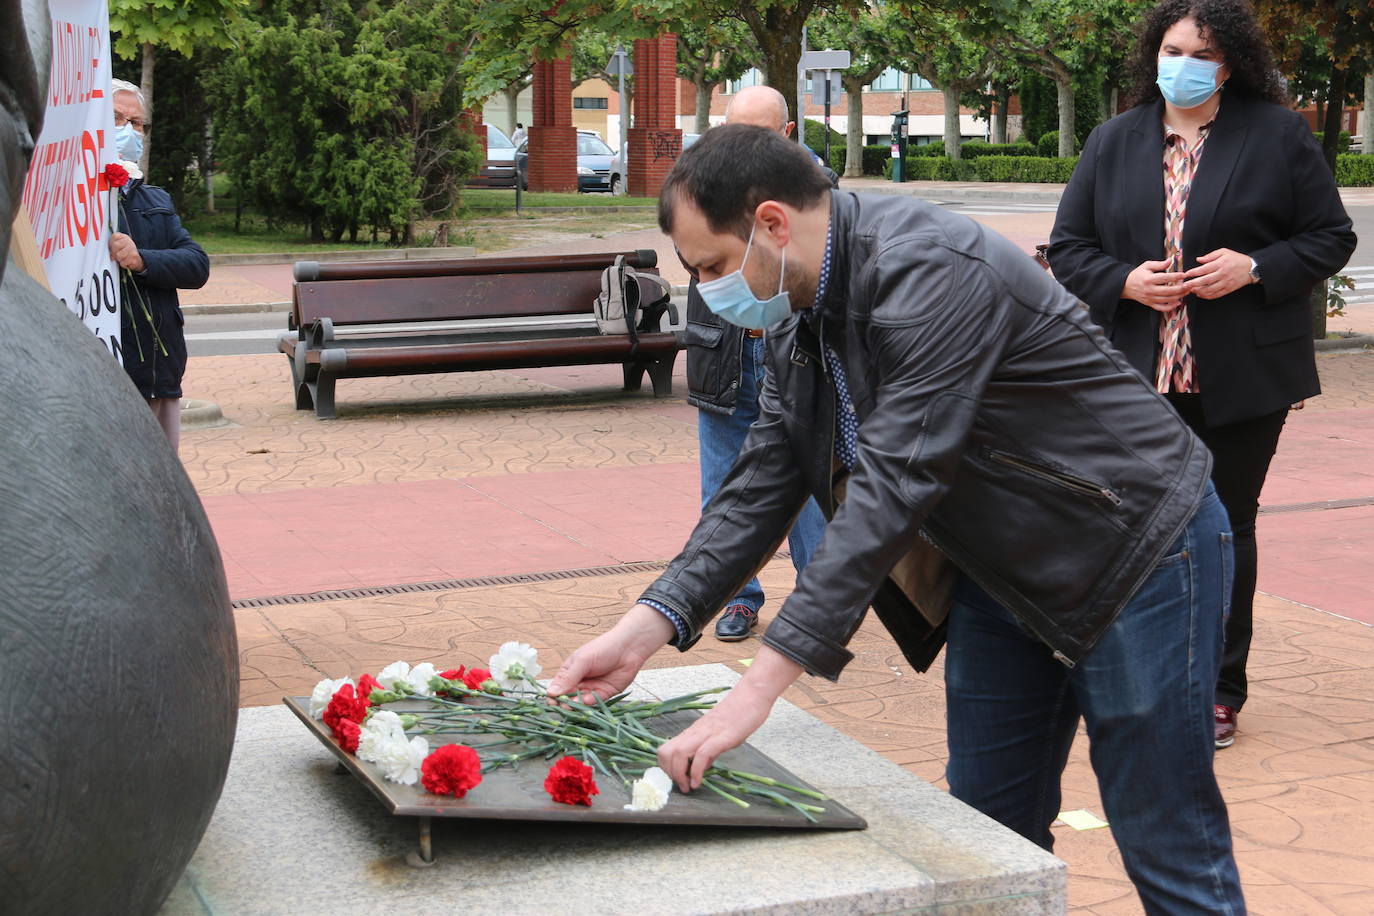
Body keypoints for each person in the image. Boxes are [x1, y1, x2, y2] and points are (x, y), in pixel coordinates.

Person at [548, 125, 1246, 913]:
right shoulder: (798, 311)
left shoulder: (928, 269)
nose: (707, 291)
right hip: (1002, 573)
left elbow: (893, 484)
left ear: (772, 223)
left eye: (711, 265)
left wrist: (759, 688)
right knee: (986, 832)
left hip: (1136, 552)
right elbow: (758, 485)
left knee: (1164, 835)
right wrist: (645, 627)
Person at [1047, 0, 1357, 749]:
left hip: (1244, 375)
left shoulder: (1278, 134)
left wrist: (1256, 267)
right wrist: (1125, 282)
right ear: (1153, 53)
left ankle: (1219, 688)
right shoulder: (1115, 139)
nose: (1181, 64)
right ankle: (1133, 674)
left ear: (1230, 66)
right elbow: (1069, 247)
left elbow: (1330, 237)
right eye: (1172, 49)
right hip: (1134, 375)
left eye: (1201, 54)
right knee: (1130, 527)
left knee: (1225, 528)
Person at [686, 84, 831, 641]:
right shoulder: (698, 182)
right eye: (736, 133)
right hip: (723, 355)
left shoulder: (818, 186)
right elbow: (692, 251)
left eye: (761, 135)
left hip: (796, 356)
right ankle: (735, 599)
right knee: (724, 487)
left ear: (787, 135)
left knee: (811, 486)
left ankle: (816, 608)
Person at [108, 78, 210, 450]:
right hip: (104, 380)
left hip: (157, 374)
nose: (129, 131)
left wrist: (142, 260)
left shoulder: (155, 199)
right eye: (116, 119)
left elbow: (196, 265)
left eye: (137, 123)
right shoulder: (72, 203)